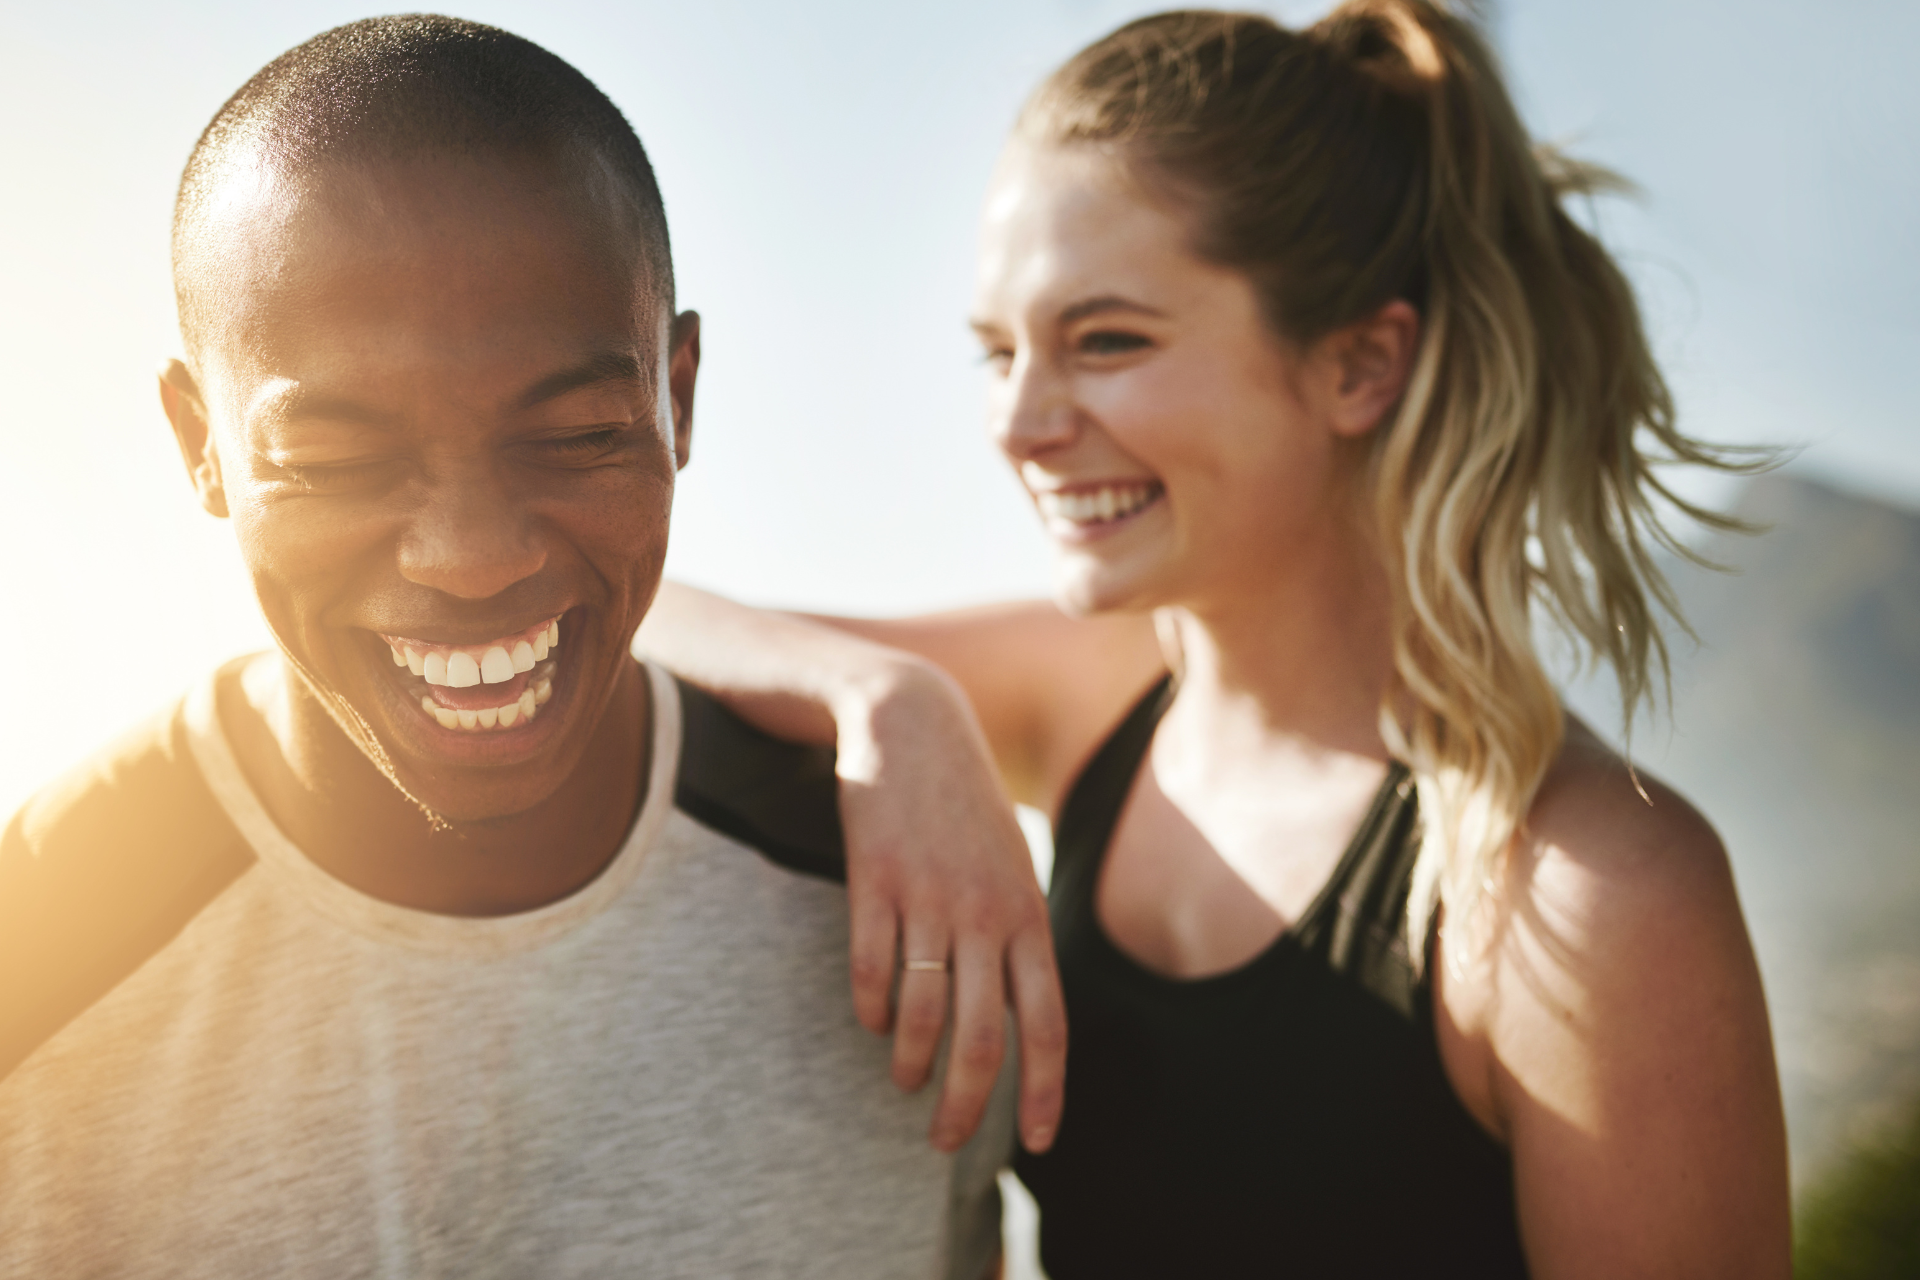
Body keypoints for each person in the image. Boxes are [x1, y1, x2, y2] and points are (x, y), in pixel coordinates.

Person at [638, 3, 1793, 1276]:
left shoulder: (1590, 891)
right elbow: (629, 609)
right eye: (997, 350)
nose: (1017, 423)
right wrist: (880, 695)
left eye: (1108, 339)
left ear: (1361, 363)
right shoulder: (1089, 697)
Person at [0, 16, 1064, 1276]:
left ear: (681, 395)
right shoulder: (38, 963)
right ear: (198, 444)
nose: (471, 553)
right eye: (338, 458)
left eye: (574, 436)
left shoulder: (911, 917)